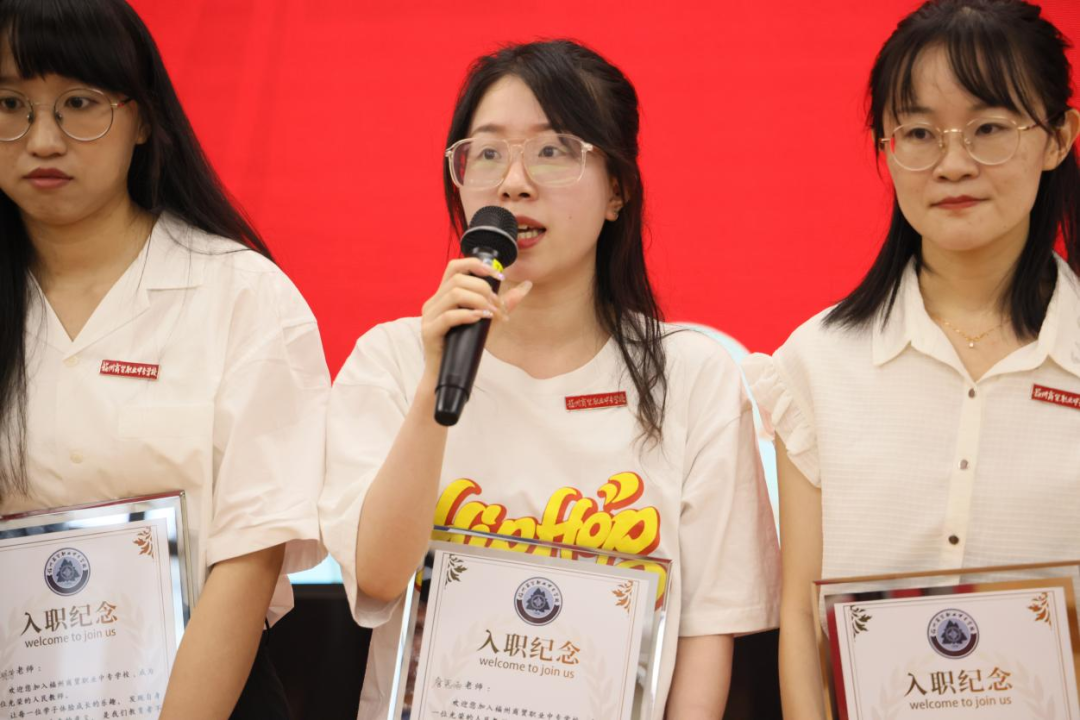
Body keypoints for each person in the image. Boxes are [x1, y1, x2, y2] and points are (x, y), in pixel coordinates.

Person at [319, 39, 780, 719]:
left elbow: (706, 631)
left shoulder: (693, 377)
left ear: (618, 189)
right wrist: (433, 386)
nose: (513, 182)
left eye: (552, 150)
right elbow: (381, 579)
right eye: (486, 153)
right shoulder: (391, 360)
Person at [741, 1, 1080, 717]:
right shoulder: (818, 363)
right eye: (920, 133)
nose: (953, 164)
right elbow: (801, 618)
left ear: (1058, 138)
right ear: (887, 149)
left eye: (989, 128)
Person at [0, 1, 330, 717]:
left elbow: (251, 555)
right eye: (10, 105)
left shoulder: (241, 294)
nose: (42, 140)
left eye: (79, 104)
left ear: (143, 118)